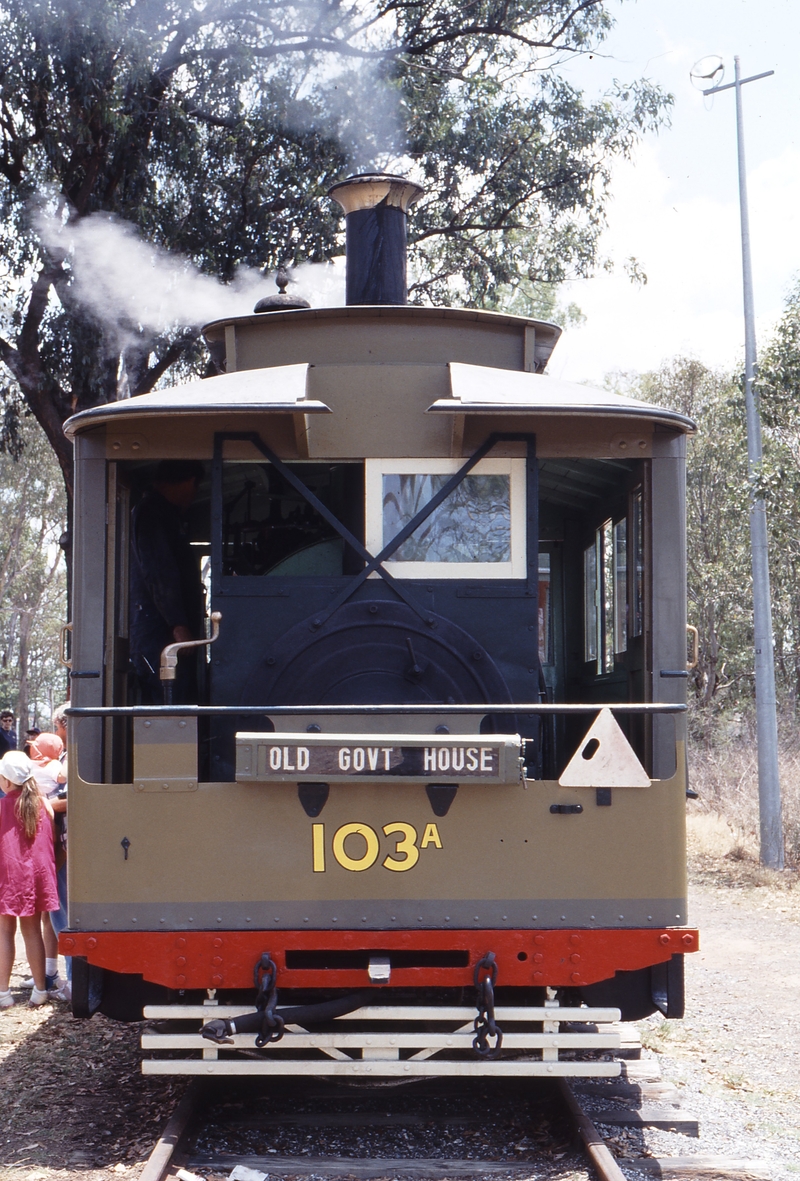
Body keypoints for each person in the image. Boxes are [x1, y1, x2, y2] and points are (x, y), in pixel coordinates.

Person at [129, 460, 206, 703]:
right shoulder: (152, 512)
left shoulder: (159, 513)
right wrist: (178, 624)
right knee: (168, 698)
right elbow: (160, 572)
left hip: (159, 628)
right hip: (159, 631)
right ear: (191, 482)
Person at [0, 751, 58, 1009]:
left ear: (7, 782)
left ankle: (3, 993)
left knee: (4, 932)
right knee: (32, 931)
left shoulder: (2, 806)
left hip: (8, 876)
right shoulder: (44, 805)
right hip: (34, 876)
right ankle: (40, 990)